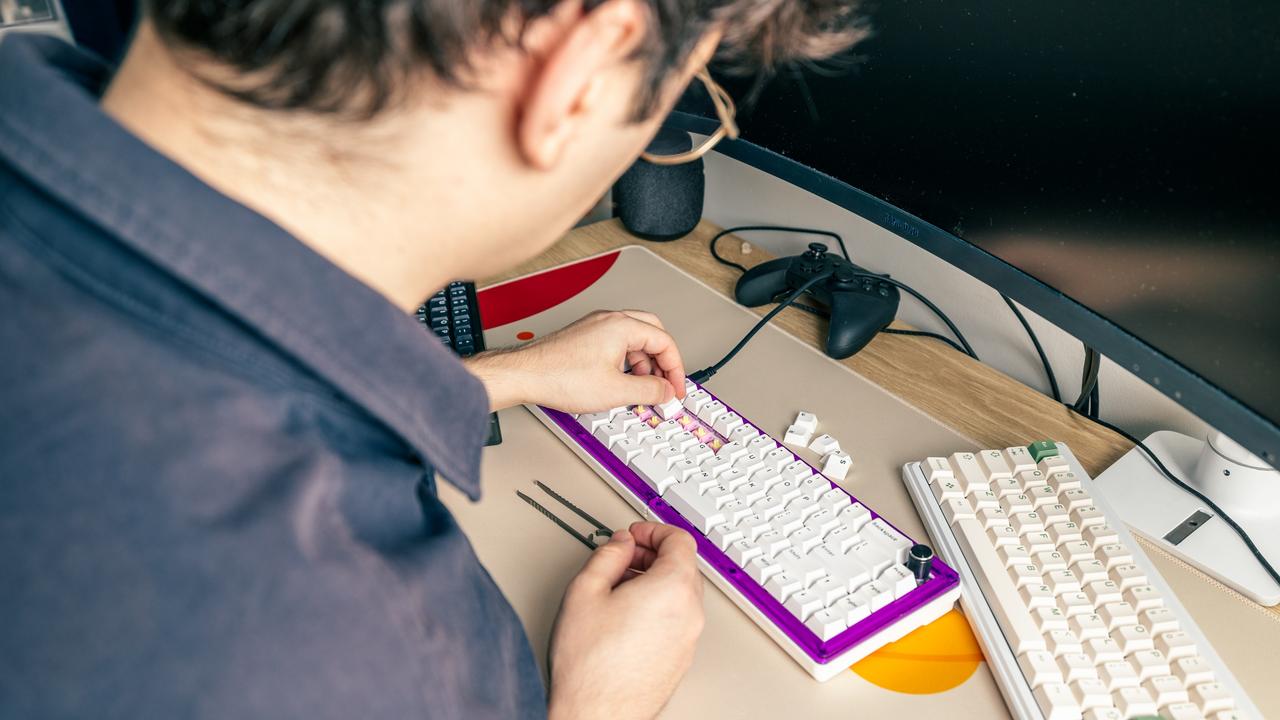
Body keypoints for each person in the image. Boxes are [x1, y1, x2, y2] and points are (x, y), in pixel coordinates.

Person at [0, 2, 863, 718]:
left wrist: (502, 378)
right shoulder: (369, 650)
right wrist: (597, 707)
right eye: (687, 101)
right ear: (580, 73)